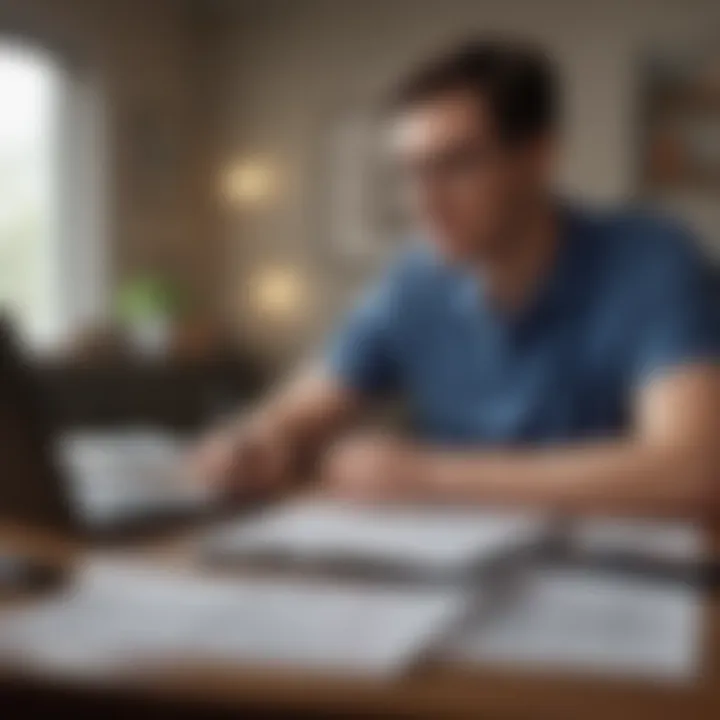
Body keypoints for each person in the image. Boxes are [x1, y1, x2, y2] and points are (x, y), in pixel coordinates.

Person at [194, 38, 719, 516]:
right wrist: (257, 441)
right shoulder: (412, 282)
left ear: (538, 156)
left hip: (624, 589)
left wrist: (431, 476)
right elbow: (305, 408)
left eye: (458, 165)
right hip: (458, 580)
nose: (424, 203)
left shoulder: (651, 260)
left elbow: (696, 469)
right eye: (413, 171)